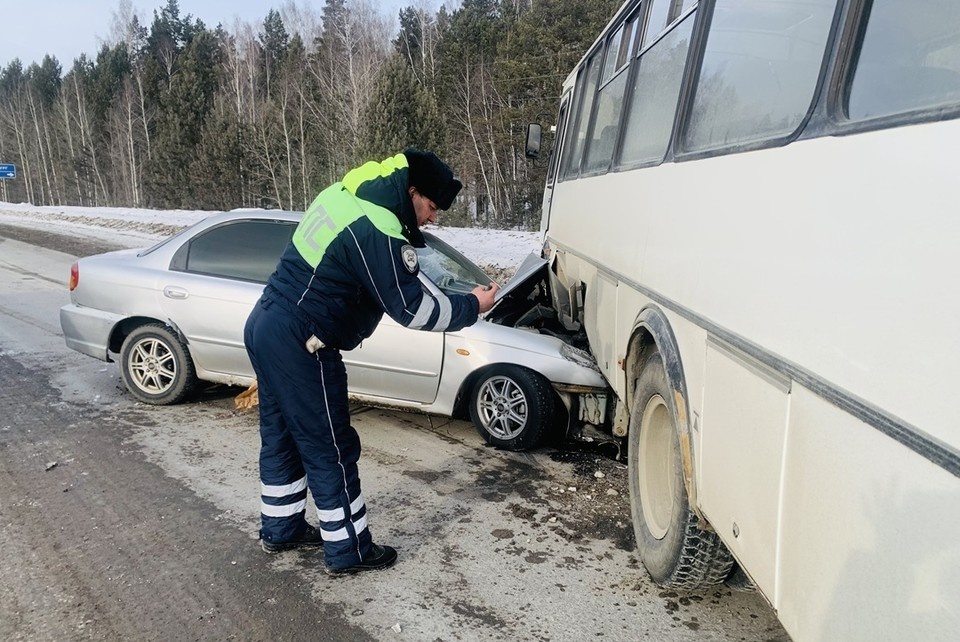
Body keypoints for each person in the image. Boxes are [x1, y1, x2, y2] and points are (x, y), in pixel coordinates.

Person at [243, 149, 499, 575]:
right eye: (431, 206)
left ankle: (281, 526)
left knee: (282, 435)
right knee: (330, 446)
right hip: (304, 341)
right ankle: (349, 550)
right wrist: (473, 304)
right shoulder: (377, 225)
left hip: (266, 324)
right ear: (411, 192)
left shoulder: (346, 195)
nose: (433, 218)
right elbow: (413, 309)